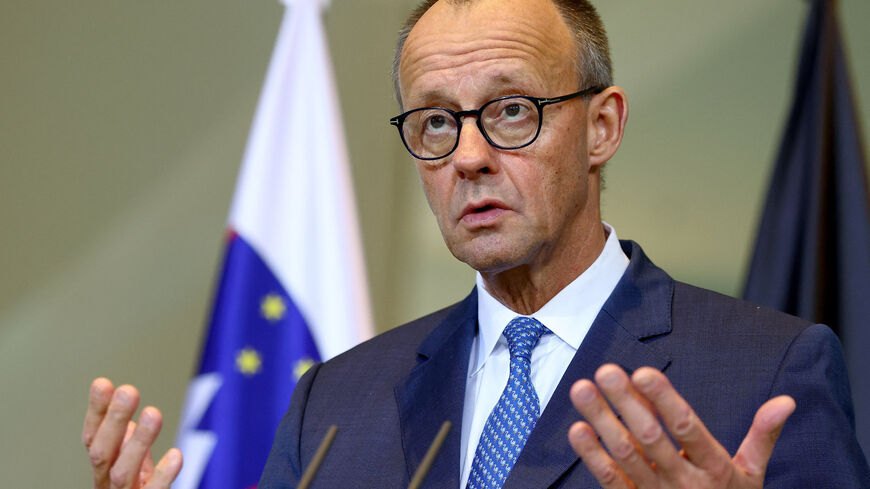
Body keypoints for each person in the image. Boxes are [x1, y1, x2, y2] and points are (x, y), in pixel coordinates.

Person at [82, 0, 870, 488]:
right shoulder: (333, 404)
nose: (467, 157)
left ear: (602, 126)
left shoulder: (768, 369)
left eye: (512, 110)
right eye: (435, 121)